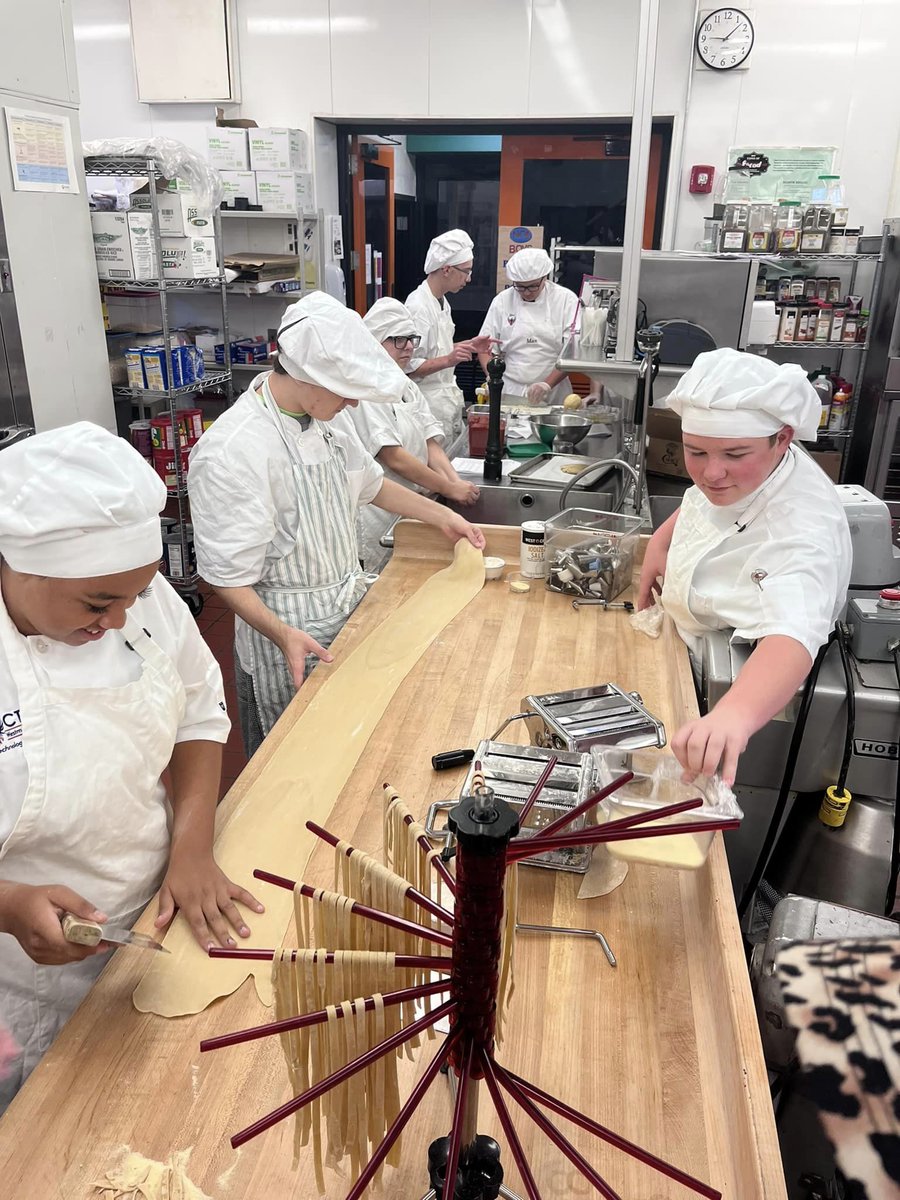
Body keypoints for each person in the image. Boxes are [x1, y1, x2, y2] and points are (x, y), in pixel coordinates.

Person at [0, 424, 261, 1111]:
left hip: (153, 913)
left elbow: (199, 715)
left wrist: (192, 847)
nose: (118, 621)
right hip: (26, 977)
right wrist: (8, 905)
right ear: (20, 565)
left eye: (134, 597)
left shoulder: (140, 599)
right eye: (97, 604)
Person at [188, 292, 485, 759]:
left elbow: (371, 485)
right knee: (288, 767)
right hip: (285, 641)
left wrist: (444, 515)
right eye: (344, 390)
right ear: (307, 376)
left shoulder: (327, 420)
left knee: (344, 754)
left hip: (345, 619)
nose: (352, 402)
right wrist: (282, 633)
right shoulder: (233, 452)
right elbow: (227, 578)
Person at [636, 348, 852, 787]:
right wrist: (662, 539)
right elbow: (706, 501)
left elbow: (792, 633)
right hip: (683, 649)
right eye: (695, 451)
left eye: (735, 454)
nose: (712, 473)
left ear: (783, 438)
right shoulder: (755, 468)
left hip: (742, 685)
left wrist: (734, 713)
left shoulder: (803, 527)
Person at [334, 297, 480, 570]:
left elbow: (430, 442)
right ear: (375, 342)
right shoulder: (363, 390)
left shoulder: (406, 385)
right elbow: (394, 457)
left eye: (411, 339)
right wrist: (448, 488)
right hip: (380, 512)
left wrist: (456, 483)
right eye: (399, 339)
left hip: (415, 503)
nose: (410, 347)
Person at [405, 229, 491, 443]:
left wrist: (468, 345)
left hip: (444, 399)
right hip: (427, 403)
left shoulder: (442, 302)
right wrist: (448, 360)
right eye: (466, 271)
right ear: (446, 269)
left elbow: (437, 349)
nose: (469, 279)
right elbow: (408, 366)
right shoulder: (418, 307)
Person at [477, 247, 580, 406]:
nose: (526, 292)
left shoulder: (566, 300)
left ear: (545, 277)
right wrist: (492, 377)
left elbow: (572, 352)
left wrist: (546, 385)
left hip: (553, 391)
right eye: (520, 286)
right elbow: (484, 347)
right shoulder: (502, 301)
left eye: (532, 286)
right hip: (509, 390)